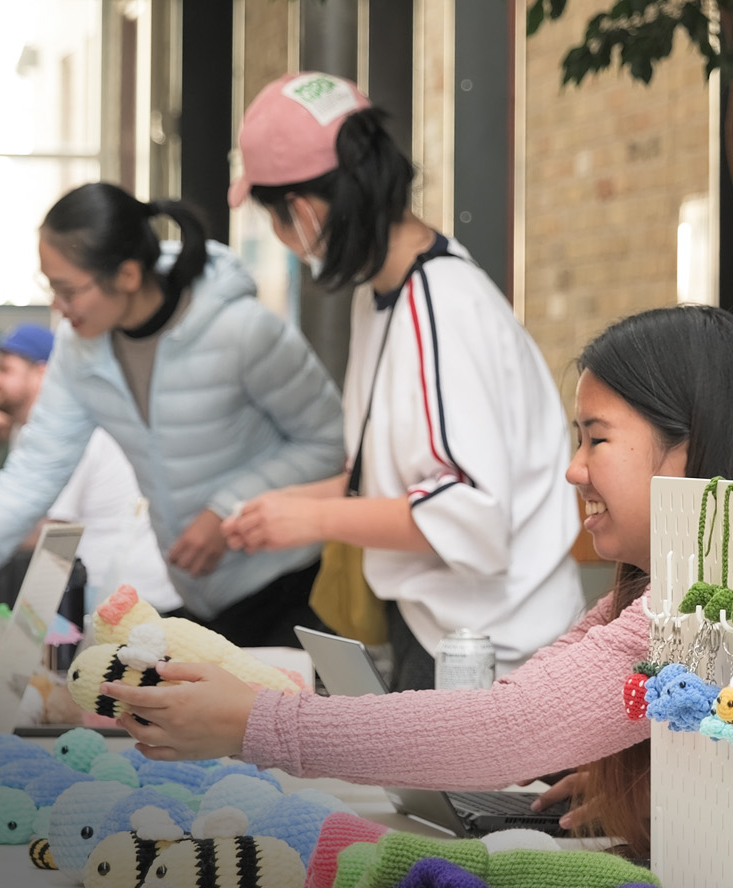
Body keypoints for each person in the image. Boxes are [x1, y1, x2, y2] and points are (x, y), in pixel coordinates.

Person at [103, 305, 733, 888]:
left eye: (596, 439)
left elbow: (508, 726)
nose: (574, 471)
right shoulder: (690, 580)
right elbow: (546, 700)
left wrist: (259, 723)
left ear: (684, 450)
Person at [0, 184, 343, 648]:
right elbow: (32, 473)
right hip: (191, 591)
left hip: (285, 581)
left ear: (129, 275)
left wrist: (226, 509)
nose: (58, 305)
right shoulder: (83, 350)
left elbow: (328, 444)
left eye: (68, 289)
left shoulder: (242, 330)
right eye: (50, 286)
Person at [224, 72, 580, 687]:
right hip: (449, 635)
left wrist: (312, 521)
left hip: (496, 656)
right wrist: (284, 507)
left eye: (275, 221)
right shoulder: (389, 293)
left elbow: (470, 512)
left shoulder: (442, 304)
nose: (283, 240)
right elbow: (391, 477)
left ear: (305, 213)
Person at [0, 323, 180, 612]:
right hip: (94, 589)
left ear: (41, 374)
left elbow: (53, 530)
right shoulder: (27, 431)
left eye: (5, 369)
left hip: (123, 599)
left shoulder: (77, 433)